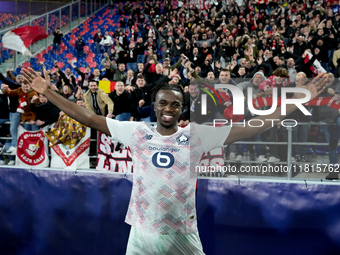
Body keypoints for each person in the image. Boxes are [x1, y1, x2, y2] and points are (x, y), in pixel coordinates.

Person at [22, 65, 327, 254]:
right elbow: (88, 116)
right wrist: (49, 91)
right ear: (154, 107)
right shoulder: (136, 132)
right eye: (163, 103)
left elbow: (257, 124)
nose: (169, 108)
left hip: (183, 234)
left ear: (182, 109)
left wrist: (302, 97)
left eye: (175, 104)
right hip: (141, 233)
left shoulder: (197, 135)